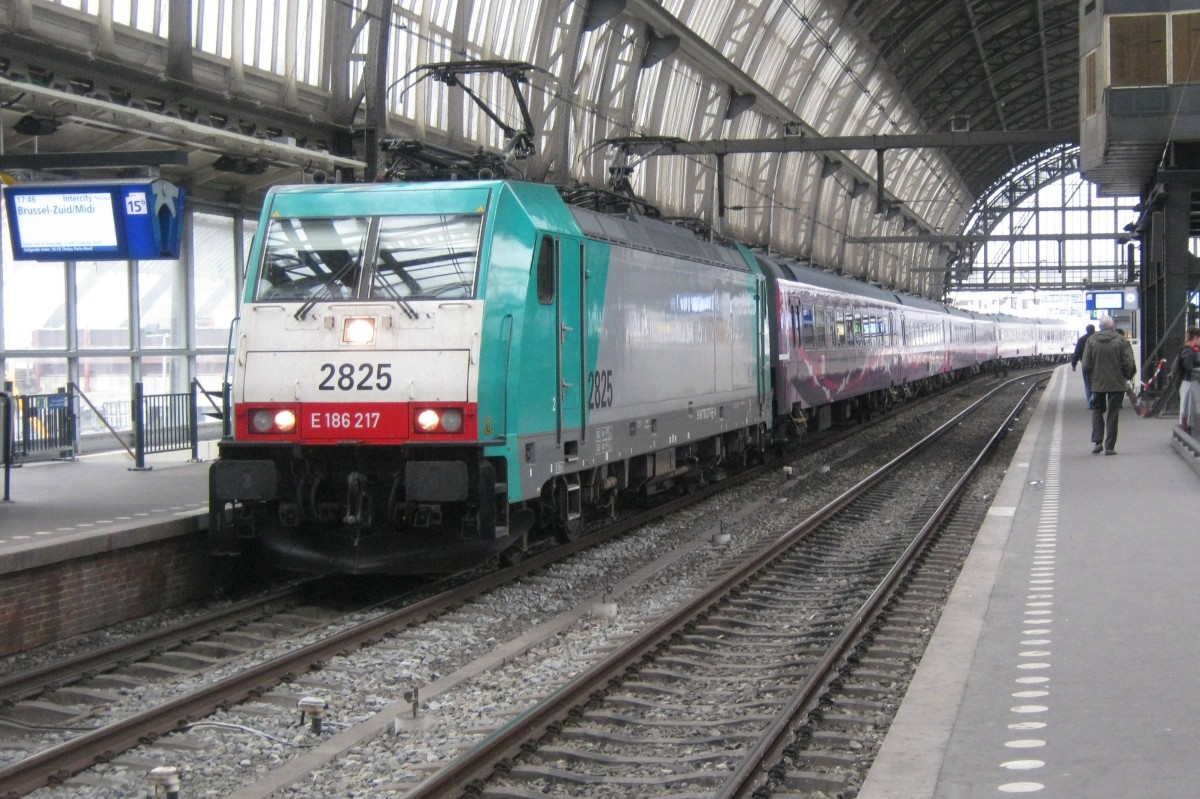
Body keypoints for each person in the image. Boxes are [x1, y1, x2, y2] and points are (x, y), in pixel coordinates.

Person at [1082, 315, 1136, 455]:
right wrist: (1127, 375)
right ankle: (1110, 447)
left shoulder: (1091, 340)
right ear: (1112, 326)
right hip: (1117, 383)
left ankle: (1097, 442)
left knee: (1097, 410)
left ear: (1099, 327)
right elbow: (1128, 362)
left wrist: (1091, 377)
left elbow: (1086, 364)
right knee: (1113, 413)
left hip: (1098, 383)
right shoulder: (1121, 340)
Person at [1174, 326, 1200, 434]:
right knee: (1187, 407)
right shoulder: (1188, 351)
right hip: (1188, 382)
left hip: (1190, 382)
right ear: (1195, 337)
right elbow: (1189, 367)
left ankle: (1187, 428)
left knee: (1188, 407)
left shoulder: (1191, 350)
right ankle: (1186, 429)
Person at [1070, 323, 1096, 408]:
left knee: (1088, 385)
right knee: (1097, 384)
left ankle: (1090, 403)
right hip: (1097, 365)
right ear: (1094, 330)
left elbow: (1076, 353)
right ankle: (1095, 400)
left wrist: (1074, 364)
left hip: (1085, 365)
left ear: (1086, 330)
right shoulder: (1097, 338)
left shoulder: (1081, 340)